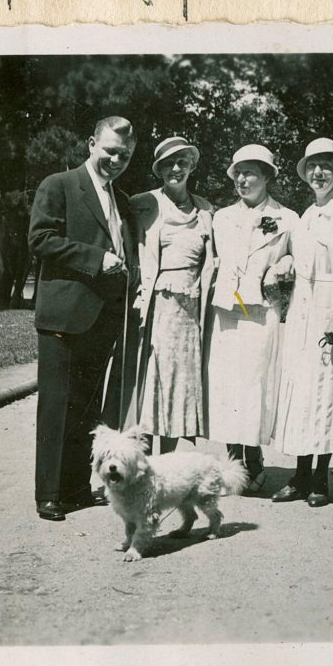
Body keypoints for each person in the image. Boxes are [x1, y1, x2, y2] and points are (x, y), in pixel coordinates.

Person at [27, 115, 138, 522]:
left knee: (86, 408)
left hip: (102, 317)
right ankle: (49, 493)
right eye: (109, 150)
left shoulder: (120, 198)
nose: (116, 159)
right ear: (91, 143)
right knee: (56, 406)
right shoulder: (58, 185)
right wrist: (98, 259)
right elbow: (40, 239)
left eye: (124, 155)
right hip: (63, 315)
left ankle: (75, 486)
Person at [271, 138, 333, 507]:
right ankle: (299, 476)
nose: (319, 173)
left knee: (329, 390)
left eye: (326, 165)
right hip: (303, 306)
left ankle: (320, 481)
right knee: (301, 391)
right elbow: (294, 261)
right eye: (313, 166)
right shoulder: (306, 215)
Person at [205, 144, 298, 492]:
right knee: (227, 385)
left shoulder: (288, 218)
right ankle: (232, 462)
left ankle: (254, 457)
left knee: (255, 384)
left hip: (261, 311)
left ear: (268, 176)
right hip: (228, 311)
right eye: (238, 173)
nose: (243, 180)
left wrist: (285, 264)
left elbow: (299, 261)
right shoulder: (222, 217)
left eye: (251, 173)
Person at [128, 136, 215, 454]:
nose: (175, 169)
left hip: (191, 310)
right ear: (159, 170)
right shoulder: (144, 203)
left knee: (179, 383)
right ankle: (141, 461)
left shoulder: (205, 209)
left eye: (181, 162)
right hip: (157, 306)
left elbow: (212, 260)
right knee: (153, 379)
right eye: (168, 164)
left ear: (192, 166)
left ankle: (165, 463)